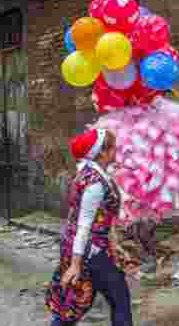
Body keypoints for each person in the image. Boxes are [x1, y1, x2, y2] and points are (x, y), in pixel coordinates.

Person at [47, 129, 136, 326]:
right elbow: (84, 225)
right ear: (102, 153)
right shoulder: (95, 183)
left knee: (75, 302)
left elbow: (98, 218)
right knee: (116, 298)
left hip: (87, 249)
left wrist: (112, 244)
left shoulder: (91, 173)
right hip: (90, 252)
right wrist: (75, 265)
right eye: (113, 147)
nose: (116, 150)